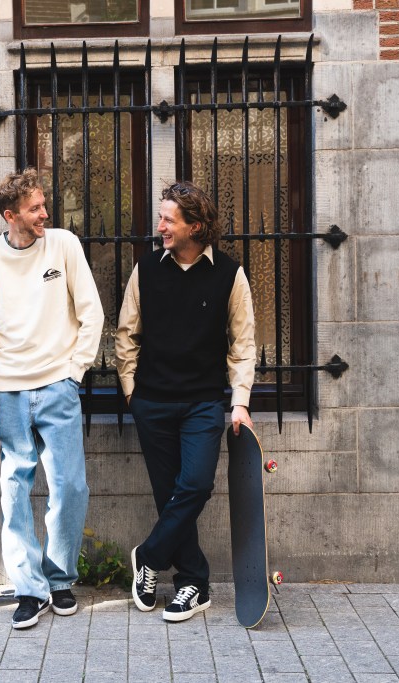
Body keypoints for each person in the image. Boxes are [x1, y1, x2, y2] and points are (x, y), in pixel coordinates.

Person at [0, 169, 104, 629]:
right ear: (11, 216)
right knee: (14, 486)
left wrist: (74, 373)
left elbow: (92, 312)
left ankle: (59, 579)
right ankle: (29, 588)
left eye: (44, 205)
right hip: (7, 391)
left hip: (59, 385)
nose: (45, 213)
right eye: (34, 208)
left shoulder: (64, 245)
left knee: (70, 486)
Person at [115, 180, 256, 623]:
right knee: (169, 496)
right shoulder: (146, 269)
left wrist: (240, 401)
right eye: (161, 218)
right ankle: (193, 581)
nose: (160, 226)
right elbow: (127, 333)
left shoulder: (229, 274)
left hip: (203, 404)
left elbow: (243, 345)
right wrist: (131, 390)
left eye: (168, 220)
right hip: (152, 403)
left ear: (195, 226)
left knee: (195, 486)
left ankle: (149, 556)